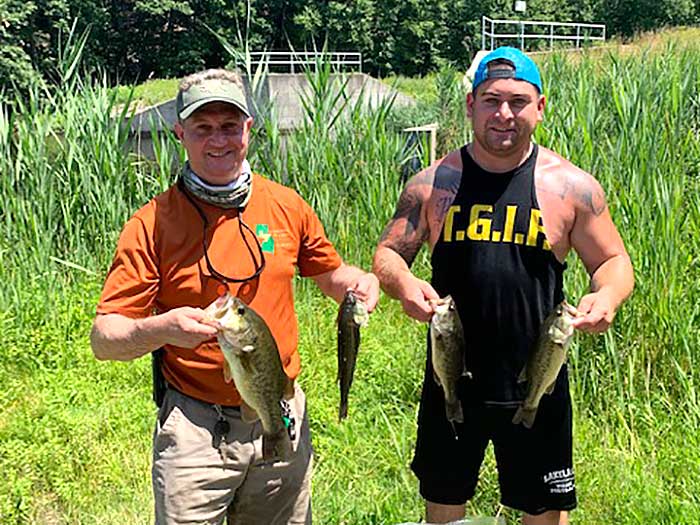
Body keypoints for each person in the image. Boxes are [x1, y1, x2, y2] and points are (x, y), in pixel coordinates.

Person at [90, 68, 379, 525]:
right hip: (196, 430)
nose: (218, 140)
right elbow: (105, 337)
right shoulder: (151, 224)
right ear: (179, 132)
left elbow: (330, 274)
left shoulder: (285, 204)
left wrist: (356, 283)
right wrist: (163, 329)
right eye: (203, 128)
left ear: (249, 128)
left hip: (279, 411)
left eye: (229, 126)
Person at [372, 47, 633, 525]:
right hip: (451, 377)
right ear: (471, 105)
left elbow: (613, 261)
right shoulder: (432, 185)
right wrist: (404, 283)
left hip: (539, 376)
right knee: (445, 509)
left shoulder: (572, 188)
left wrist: (608, 296)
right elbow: (388, 254)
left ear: (540, 106)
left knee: (544, 513)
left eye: (518, 100)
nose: (504, 114)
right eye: (491, 100)